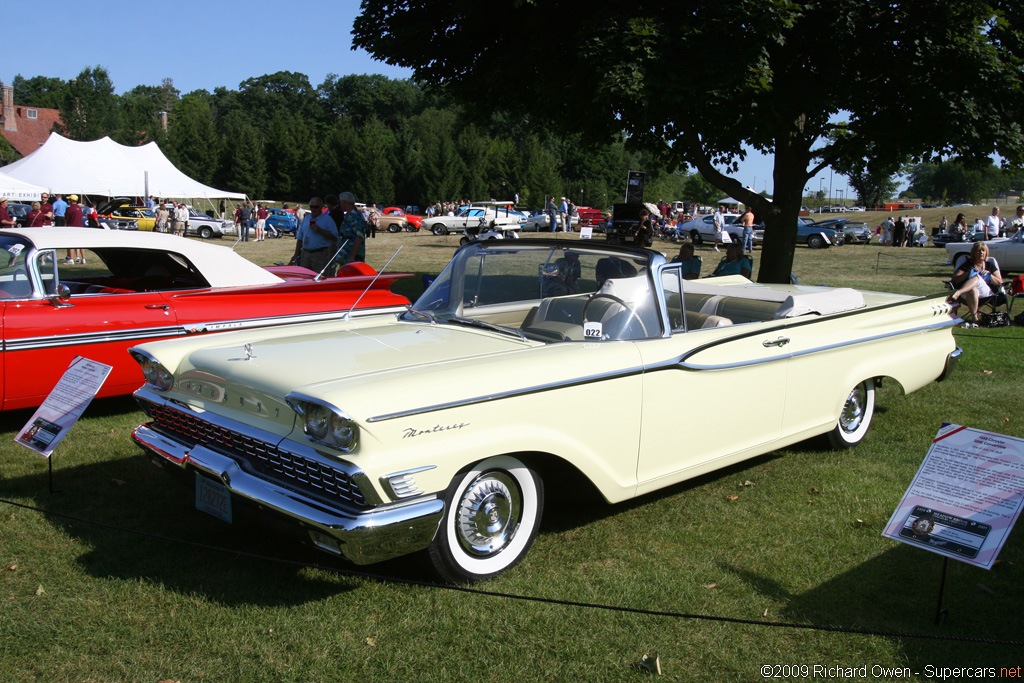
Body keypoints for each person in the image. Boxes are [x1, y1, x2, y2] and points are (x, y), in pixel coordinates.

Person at [950, 241, 1003, 325]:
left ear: (986, 253)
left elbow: (1000, 282)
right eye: (978, 251)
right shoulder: (967, 265)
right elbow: (955, 280)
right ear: (974, 253)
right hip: (968, 293)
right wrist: (967, 273)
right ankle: (975, 319)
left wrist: (989, 275)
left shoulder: (990, 265)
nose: (981, 253)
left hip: (986, 293)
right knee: (973, 290)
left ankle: (958, 292)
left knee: (977, 277)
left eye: (983, 250)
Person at [291, 197, 339, 276]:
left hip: (320, 254)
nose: (313, 209)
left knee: (319, 278)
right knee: (305, 277)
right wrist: (296, 255)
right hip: (305, 254)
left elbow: (334, 236)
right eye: (311, 207)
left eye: (316, 207)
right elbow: (300, 238)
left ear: (321, 207)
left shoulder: (327, 219)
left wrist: (320, 230)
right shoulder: (306, 218)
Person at [335, 191, 367, 265]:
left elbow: (359, 237)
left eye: (341, 202)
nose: (340, 205)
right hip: (344, 255)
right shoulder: (347, 216)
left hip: (353, 257)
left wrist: (352, 256)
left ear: (344, 202)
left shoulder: (356, 217)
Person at [64, 195, 85, 263]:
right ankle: (83, 259)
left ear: (71, 200)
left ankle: (71, 259)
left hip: (72, 227)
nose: (68, 201)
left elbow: (67, 219)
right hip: (80, 227)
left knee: (71, 243)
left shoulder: (70, 209)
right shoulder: (79, 208)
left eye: (69, 199)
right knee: (81, 244)